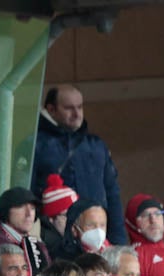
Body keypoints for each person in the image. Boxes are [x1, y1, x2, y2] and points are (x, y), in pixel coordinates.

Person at [31, 86, 125, 245]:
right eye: (69, 108)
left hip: (97, 238)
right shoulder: (35, 145)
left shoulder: (96, 145)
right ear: (51, 109)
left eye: (80, 107)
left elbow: (112, 194)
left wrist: (118, 242)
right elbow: (29, 195)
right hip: (55, 240)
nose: (77, 114)